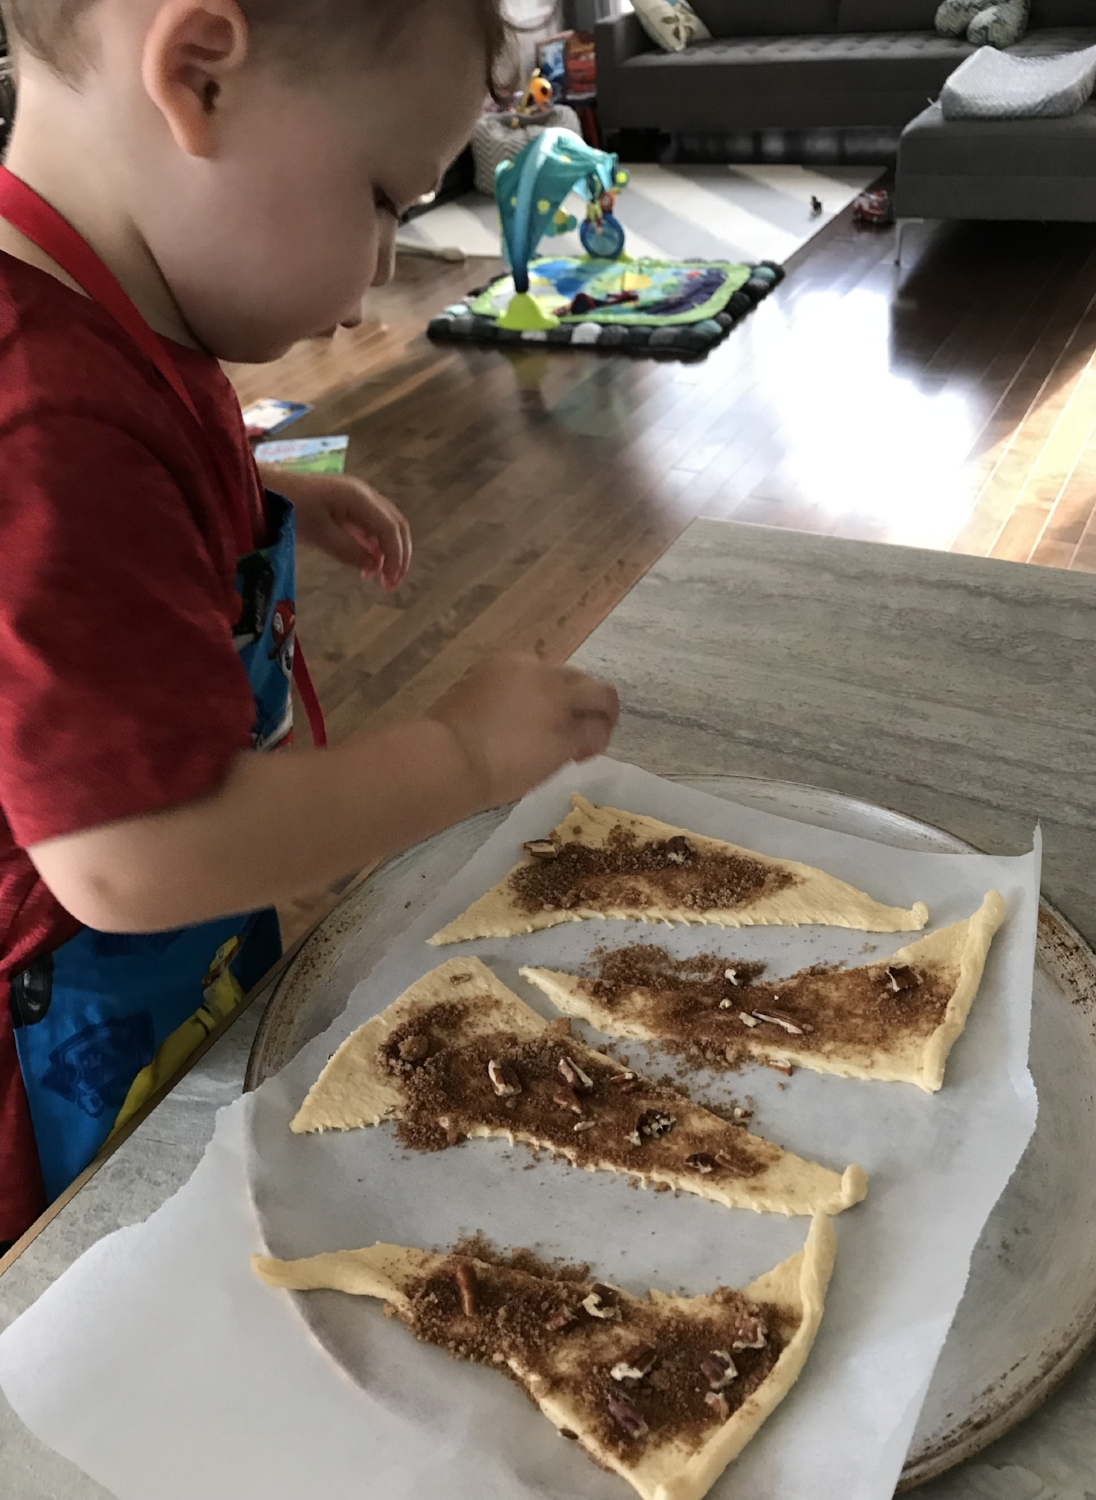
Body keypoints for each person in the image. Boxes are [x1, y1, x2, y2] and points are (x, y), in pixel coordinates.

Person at [0, 0, 619, 1249]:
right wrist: (462, 759)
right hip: (63, 1047)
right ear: (200, 76)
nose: (385, 264)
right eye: (387, 197)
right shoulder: (46, 427)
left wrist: (260, 486)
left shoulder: (94, 312)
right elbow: (127, 855)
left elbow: (102, 543)